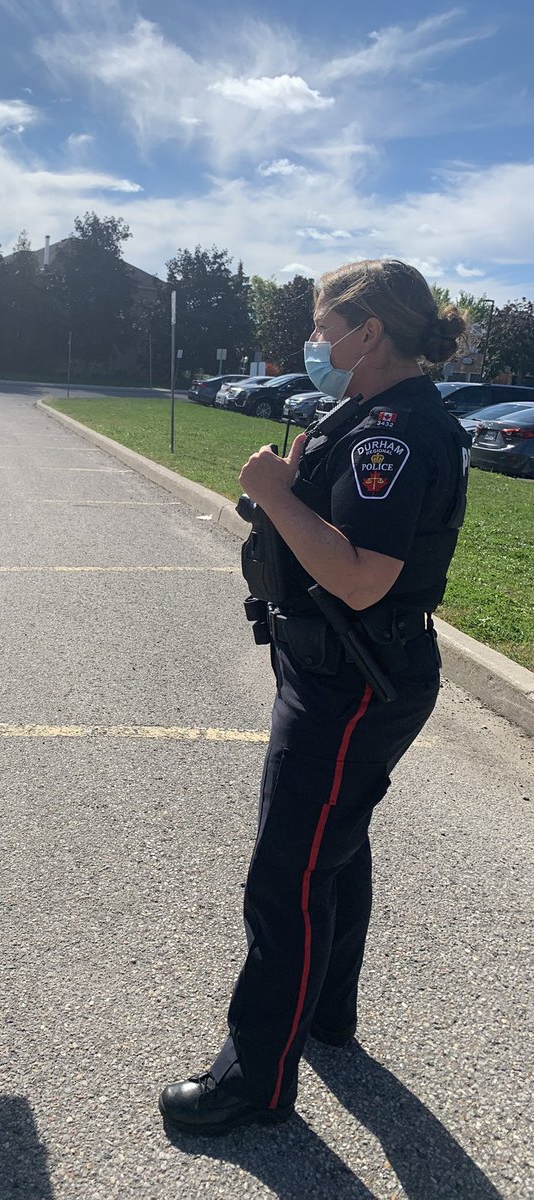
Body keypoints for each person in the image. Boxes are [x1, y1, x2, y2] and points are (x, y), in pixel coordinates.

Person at [159, 259, 471, 1133]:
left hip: (351, 683)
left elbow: (362, 577)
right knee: (337, 844)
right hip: (345, 672)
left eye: (324, 322)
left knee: (286, 875)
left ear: (369, 331)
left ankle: (255, 1079)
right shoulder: (374, 414)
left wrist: (270, 494)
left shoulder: (396, 434)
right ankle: (327, 1012)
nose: (315, 339)